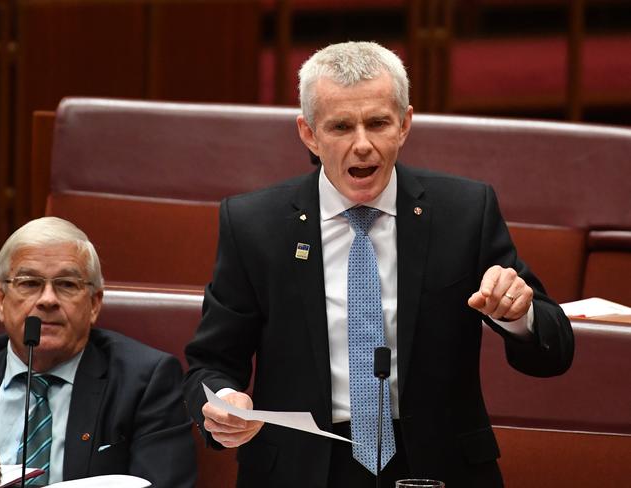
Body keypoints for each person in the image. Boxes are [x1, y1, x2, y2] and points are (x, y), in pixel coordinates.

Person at [183, 41, 574, 488]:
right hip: (302, 467)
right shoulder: (256, 225)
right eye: (341, 127)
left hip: (436, 466)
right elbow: (210, 364)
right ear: (309, 133)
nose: (363, 145)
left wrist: (519, 315)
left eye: (378, 123)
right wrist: (225, 403)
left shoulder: (464, 212)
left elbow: (554, 352)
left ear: (405, 124)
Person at [0, 217, 196, 487]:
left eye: (67, 284)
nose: (48, 299)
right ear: (0, 300)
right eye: (30, 283)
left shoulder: (145, 382)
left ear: (94, 304)